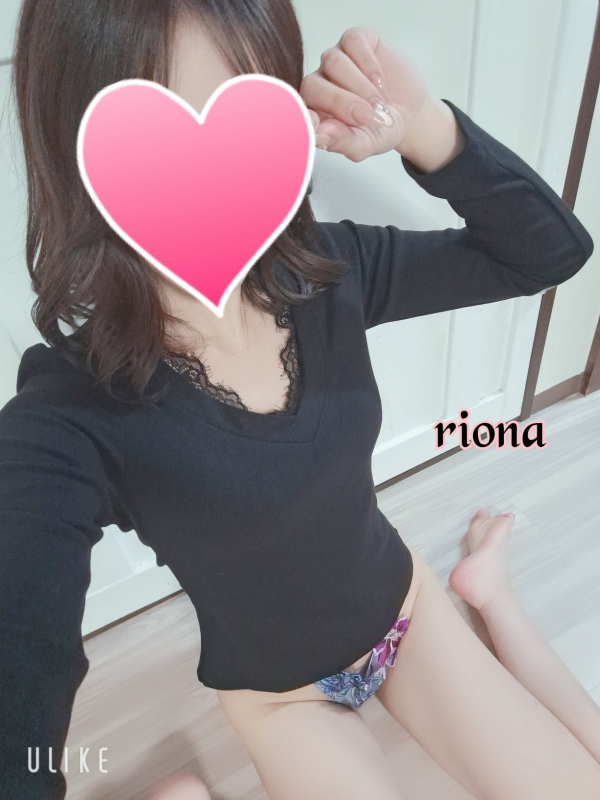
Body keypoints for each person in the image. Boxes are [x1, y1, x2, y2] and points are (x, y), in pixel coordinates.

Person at [1, 1, 599, 799]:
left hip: (406, 612)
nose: (213, 183)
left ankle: (490, 591)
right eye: (162, 148)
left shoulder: (327, 271)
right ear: (79, 152)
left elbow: (548, 254)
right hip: (281, 699)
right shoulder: (72, 414)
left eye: (245, 120)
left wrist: (424, 126)